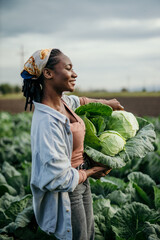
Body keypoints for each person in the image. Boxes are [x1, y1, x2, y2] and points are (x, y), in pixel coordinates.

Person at [21, 48, 124, 240]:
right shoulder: (47, 122)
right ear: (48, 73)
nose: (74, 73)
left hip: (81, 182)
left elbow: (80, 101)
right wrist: (93, 171)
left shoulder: (63, 103)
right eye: (68, 68)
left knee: (88, 236)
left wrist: (107, 103)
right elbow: (58, 178)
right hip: (68, 191)